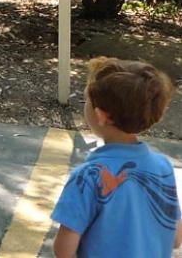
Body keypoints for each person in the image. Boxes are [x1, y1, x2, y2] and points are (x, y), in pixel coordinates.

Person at [51, 57, 182, 258]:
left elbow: (64, 250)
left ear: (102, 116)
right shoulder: (163, 167)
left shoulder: (88, 176)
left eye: (86, 100)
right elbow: (176, 238)